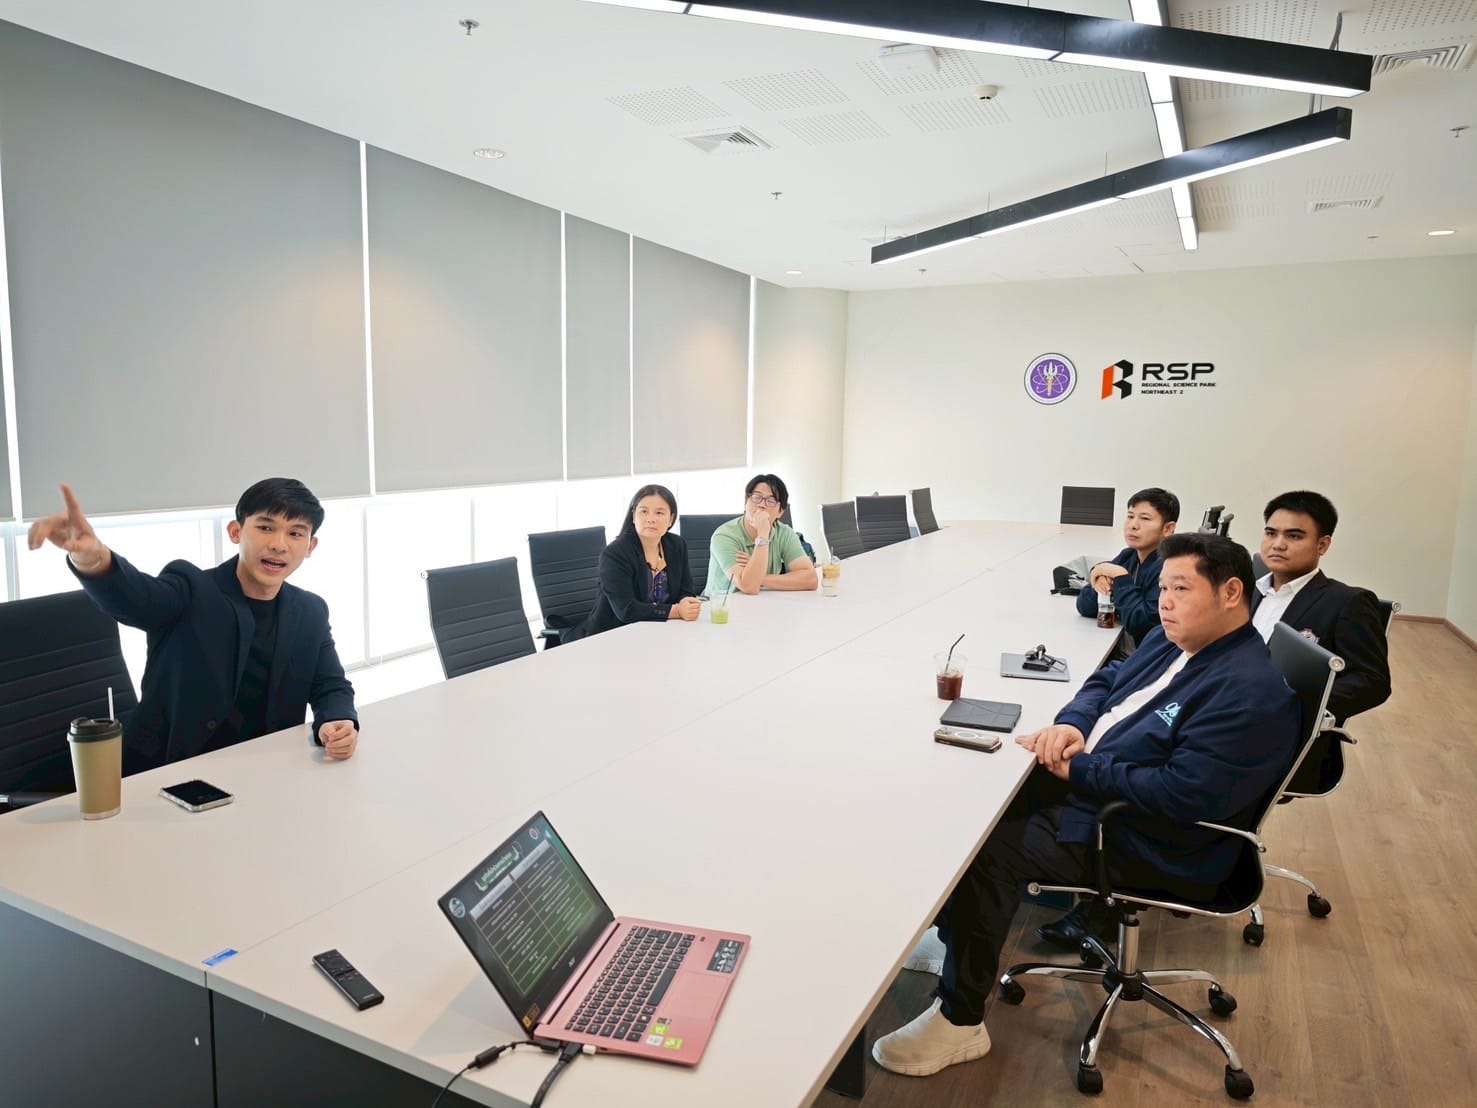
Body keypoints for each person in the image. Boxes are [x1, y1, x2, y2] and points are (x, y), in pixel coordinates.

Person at [874, 533, 1299, 1078]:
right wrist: (1072, 724)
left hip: (1150, 836)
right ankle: (957, 937)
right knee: (965, 794)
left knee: (990, 849)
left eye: (1180, 588)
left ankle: (960, 1019)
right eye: (1162, 588)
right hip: (1103, 789)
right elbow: (1107, 679)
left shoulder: (1248, 692)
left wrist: (1081, 769)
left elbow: (1181, 795)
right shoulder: (1175, 639)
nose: (1164, 602)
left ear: (1231, 592)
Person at [27, 480, 358, 773]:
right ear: (236, 532)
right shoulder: (191, 588)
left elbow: (330, 685)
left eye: (296, 533)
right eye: (265, 527)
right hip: (172, 771)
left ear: (310, 546)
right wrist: (93, 557)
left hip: (264, 771)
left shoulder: (310, 611)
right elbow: (136, 599)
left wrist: (338, 720)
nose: (279, 544)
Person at [1254, 490, 1391, 726]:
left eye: (1294, 536)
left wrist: (1292, 705)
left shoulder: (1347, 602)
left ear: (1322, 545)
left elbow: (1372, 681)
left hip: (1277, 727)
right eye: (1271, 533)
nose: (1278, 544)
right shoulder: (1250, 590)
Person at [565, 484, 701, 641]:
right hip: (613, 637)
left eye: (659, 513)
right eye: (644, 511)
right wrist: (676, 611)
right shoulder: (615, 554)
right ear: (633, 516)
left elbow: (686, 589)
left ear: (671, 519)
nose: (651, 519)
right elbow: (626, 610)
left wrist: (686, 602)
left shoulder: (676, 545)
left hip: (661, 633)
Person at [1075, 487, 1180, 644]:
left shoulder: (1170, 567)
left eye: (1145, 518)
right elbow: (1084, 606)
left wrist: (1120, 579)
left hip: (1145, 653)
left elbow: (1141, 623)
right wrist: (1099, 577)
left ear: (1168, 529)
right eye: (1130, 516)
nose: (1133, 525)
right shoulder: (1128, 556)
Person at [706, 473, 818, 596]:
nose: (762, 505)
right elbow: (749, 586)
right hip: (722, 605)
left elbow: (811, 579)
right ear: (745, 503)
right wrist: (763, 533)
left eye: (771, 501)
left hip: (763, 601)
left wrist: (760, 576)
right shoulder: (724, 536)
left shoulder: (784, 533)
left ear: (780, 512)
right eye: (756, 497)